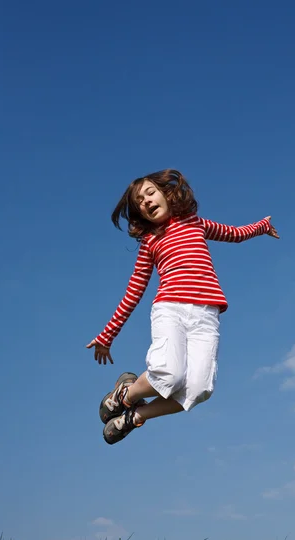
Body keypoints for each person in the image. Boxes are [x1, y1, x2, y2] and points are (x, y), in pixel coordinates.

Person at [87, 169, 279, 445]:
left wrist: (261, 226)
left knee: (199, 389)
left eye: (150, 193)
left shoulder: (195, 223)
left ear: (167, 194)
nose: (146, 202)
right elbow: (134, 291)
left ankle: (133, 417)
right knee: (169, 373)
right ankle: (125, 395)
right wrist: (108, 334)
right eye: (139, 202)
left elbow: (235, 234)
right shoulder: (151, 242)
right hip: (171, 308)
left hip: (207, 316)